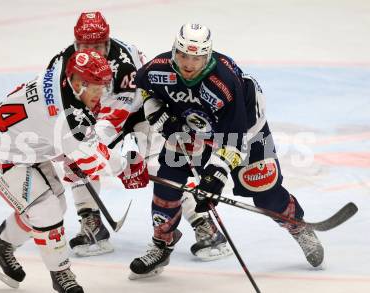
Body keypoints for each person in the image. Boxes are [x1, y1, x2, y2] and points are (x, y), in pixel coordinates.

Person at [129, 23, 324, 279]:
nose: (188, 64)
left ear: (207, 56)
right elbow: (143, 88)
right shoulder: (159, 67)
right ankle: (161, 243)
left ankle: (297, 226)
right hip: (191, 129)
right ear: (174, 50)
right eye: (183, 55)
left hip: (246, 131)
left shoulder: (224, 82)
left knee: (264, 193)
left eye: (196, 58)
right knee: (168, 181)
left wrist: (214, 178)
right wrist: (155, 109)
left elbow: (236, 141)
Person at [49, 11, 231, 261]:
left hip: (141, 113)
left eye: (98, 45)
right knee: (76, 161)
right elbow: (58, 100)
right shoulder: (64, 61)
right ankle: (91, 222)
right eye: (85, 45)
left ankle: (204, 224)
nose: (92, 50)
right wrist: (75, 143)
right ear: (76, 42)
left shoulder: (123, 61)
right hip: (96, 114)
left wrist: (93, 145)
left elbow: (120, 111)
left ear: (107, 40)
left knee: (161, 166)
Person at [0, 49, 148, 293]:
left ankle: (0, 246)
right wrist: (127, 167)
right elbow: (94, 158)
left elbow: (64, 136)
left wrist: (68, 151)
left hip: (22, 144)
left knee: (55, 206)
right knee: (46, 211)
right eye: (96, 87)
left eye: (104, 86)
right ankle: (61, 274)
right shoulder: (67, 117)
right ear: (79, 83)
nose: (102, 93)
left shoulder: (61, 74)